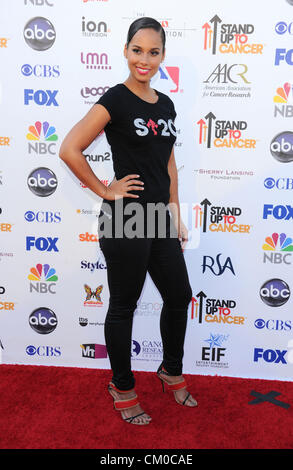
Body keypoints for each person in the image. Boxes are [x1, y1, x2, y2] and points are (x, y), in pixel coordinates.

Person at [59, 17, 197, 426]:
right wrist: (105, 190)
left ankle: (170, 369)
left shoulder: (167, 104)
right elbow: (70, 148)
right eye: (137, 50)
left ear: (162, 57)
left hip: (158, 218)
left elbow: (168, 162)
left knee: (179, 295)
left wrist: (174, 212)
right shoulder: (115, 100)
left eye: (153, 52)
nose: (145, 59)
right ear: (125, 51)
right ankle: (122, 385)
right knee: (124, 305)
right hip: (126, 218)